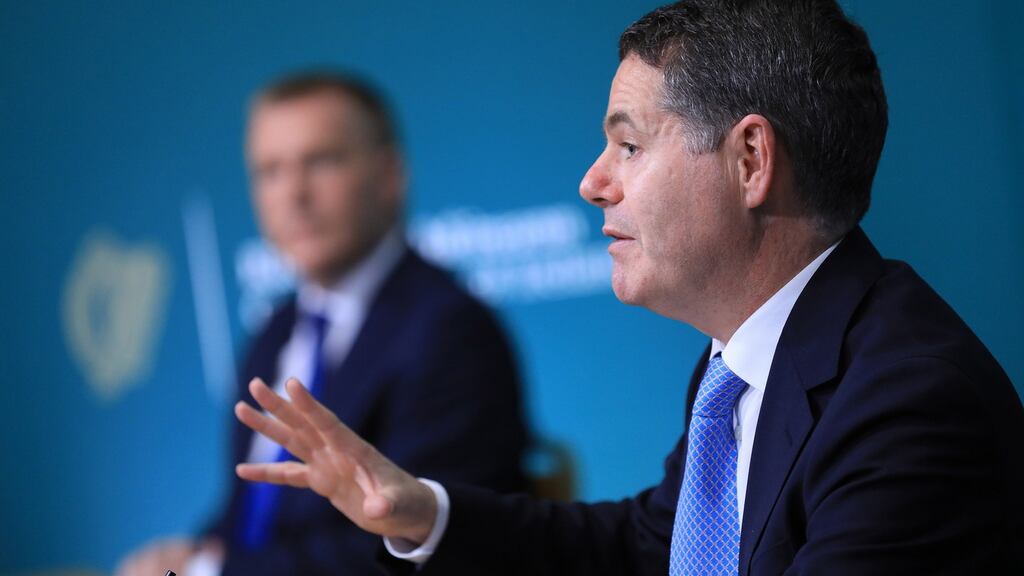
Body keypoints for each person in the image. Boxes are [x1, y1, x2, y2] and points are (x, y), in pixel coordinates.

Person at [231, 2, 1024, 575]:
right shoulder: (746, 364)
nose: (592, 182)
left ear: (750, 162)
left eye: (629, 145)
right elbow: (645, 546)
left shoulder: (908, 402)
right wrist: (422, 514)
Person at [116, 73, 528, 575]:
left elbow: (420, 542)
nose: (293, 193)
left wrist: (215, 571)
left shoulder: (450, 331)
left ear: (389, 175)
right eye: (270, 171)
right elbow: (251, 514)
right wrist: (184, 560)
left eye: (321, 161)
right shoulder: (276, 332)